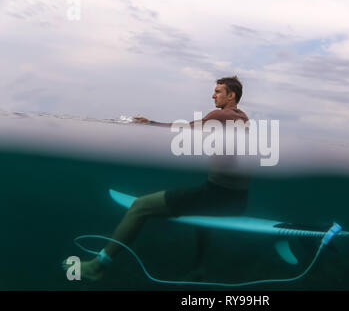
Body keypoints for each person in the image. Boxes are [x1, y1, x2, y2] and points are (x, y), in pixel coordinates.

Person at [67, 76, 251, 281]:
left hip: (217, 195)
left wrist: (151, 124)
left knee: (140, 206)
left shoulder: (222, 114)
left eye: (218, 91)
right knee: (202, 219)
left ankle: (98, 266)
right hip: (236, 201)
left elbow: (188, 126)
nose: (213, 95)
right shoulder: (243, 118)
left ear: (231, 95)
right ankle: (200, 268)